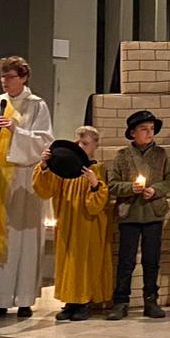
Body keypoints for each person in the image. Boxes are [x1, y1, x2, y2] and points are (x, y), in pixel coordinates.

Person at [0, 56, 54, 319]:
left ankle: (24, 299)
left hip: (24, 181)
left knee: (24, 240)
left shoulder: (36, 106)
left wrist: (17, 131)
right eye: (2, 77)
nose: (4, 81)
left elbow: (44, 142)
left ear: (23, 77)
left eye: (9, 76)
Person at [31, 128, 112, 322]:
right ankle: (70, 301)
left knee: (84, 262)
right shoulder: (65, 170)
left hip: (88, 226)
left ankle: (84, 302)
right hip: (67, 223)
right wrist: (44, 166)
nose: (80, 147)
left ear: (95, 146)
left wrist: (94, 184)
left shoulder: (98, 169)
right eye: (77, 143)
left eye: (85, 143)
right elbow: (45, 191)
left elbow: (98, 204)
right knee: (68, 262)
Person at [105, 110, 170, 320]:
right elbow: (112, 185)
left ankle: (151, 300)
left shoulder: (160, 154)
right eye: (144, 129)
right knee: (126, 260)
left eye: (152, 129)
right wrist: (131, 187)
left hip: (153, 214)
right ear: (132, 133)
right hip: (129, 215)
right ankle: (121, 301)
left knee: (151, 259)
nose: (149, 133)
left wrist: (155, 190)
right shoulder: (122, 156)